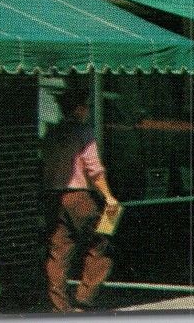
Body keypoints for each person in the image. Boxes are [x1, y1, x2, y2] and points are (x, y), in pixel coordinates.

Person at [43, 84, 118, 312]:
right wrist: (109, 197)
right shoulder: (84, 132)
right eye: (86, 106)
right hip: (81, 197)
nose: (87, 110)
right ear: (79, 108)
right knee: (102, 244)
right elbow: (94, 169)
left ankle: (60, 307)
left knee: (59, 253)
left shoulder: (52, 133)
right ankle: (84, 300)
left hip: (55, 197)